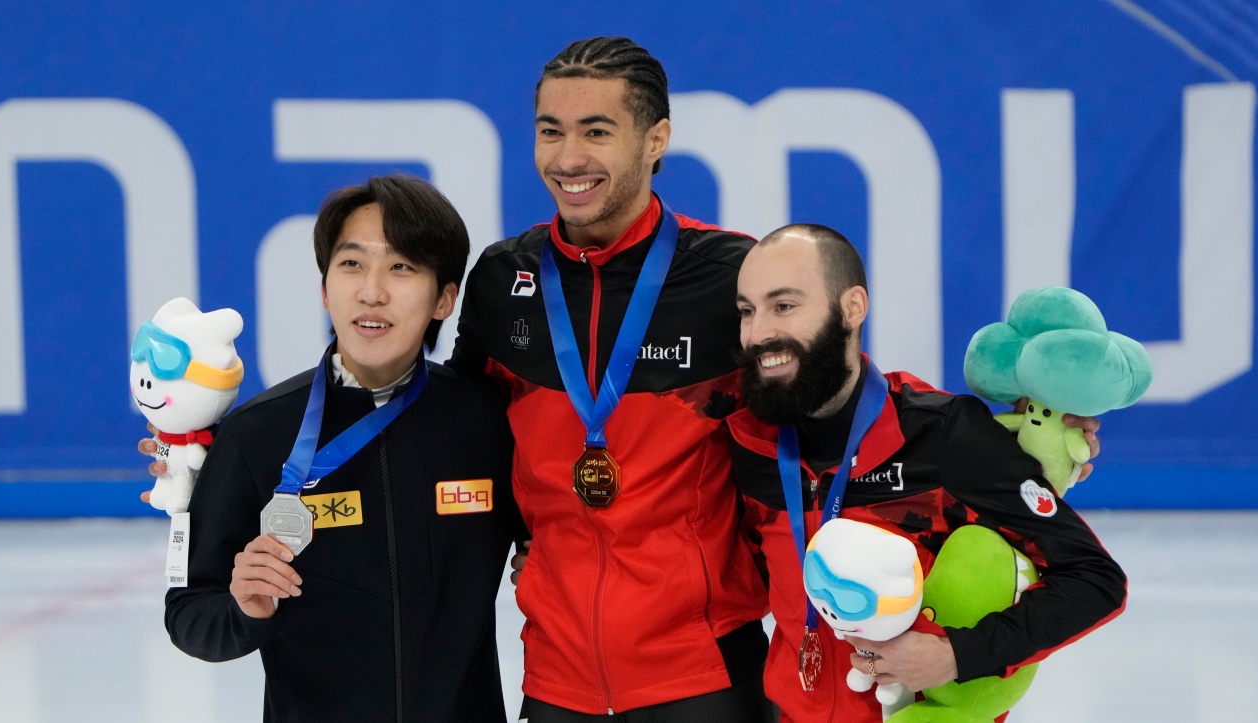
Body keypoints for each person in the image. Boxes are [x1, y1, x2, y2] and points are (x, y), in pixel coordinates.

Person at [446, 37, 772, 721]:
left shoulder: (732, 277)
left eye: (597, 131)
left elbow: (812, 433)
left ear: (656, 139)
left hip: (704, 672)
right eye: (549, 131)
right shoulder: (504, 279)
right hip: (556, 677)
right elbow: (457, 432)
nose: (568, 159)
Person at [727, 224, 1127, 722]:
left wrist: (955, 655)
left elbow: (1095, 580)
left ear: (851, 307)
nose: (759, 332)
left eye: (784, 306)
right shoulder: (747, 441)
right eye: (747, 311)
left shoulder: (943, 436)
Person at [163, 174, 521, 722]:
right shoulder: (257, 436)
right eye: (352, 264)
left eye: (401, 267)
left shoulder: (490, 423)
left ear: (445, 298)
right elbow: (191, 617)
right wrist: (244, 608)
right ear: (325, 288)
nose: (371, 290)